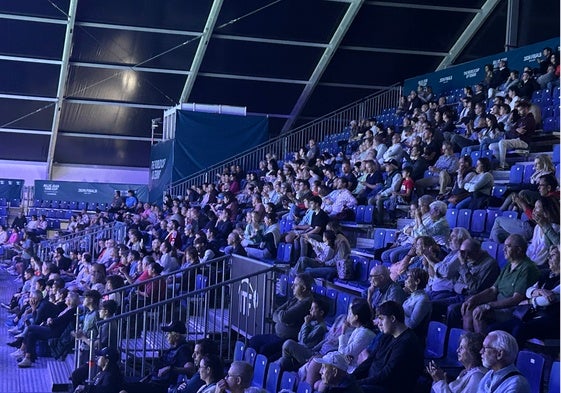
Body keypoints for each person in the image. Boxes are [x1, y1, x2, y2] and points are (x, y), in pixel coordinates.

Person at [461, 234, 540, 334]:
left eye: (508, 246)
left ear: (519, 250)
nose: (504, 249)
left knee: (479, 312)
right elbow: (492, 290)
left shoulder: (527, 268)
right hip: (497, 305)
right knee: (468, 307)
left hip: (512, 310)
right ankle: (468, 343)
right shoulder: (509, 265)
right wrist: (473, 299)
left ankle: (482, 346)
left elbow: (516, 299)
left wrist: (488, 306)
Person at [355, 301, 424, 393]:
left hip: (388, 388)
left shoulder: (407, 342)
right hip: (373, 382)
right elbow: (370, 360)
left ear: (392, 318)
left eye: (381, 319)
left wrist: (357, 383)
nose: (379, 324)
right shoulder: (386, 335)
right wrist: (351, 377)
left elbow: (386, 375)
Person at [248, 273, 313, 359]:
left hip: (287, 339)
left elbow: (284, 317)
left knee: (264, 350)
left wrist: (282, 317)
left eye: (295, 285)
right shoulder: (295, 298)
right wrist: (282, 319)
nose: (292, 287)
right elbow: (276, 313)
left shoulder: (306, 303)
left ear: (303, 288)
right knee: (254, 341)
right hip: (277, 335)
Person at [123, 320, 193, 393]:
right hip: (153, 382)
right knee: (123, 383)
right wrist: (147, 378)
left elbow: (190, 369)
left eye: (168, 333)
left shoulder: (183, 350)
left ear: (176, 335)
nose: (166, 335)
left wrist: (169, 368)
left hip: (160, 387)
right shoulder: (173, 349)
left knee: (124, 388)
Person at [277, 299, 329, 371]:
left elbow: (304, 340)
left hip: (309, 353)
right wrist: (306, 324)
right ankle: (288, 364)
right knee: (282, 362)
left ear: (321, 312)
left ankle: (290, 365)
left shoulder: (321, 327)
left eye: (313, 308)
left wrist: (306, 323)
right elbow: (299, 337)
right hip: (302, 347)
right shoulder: (313, 322)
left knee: (288, 343)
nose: (310, 310)